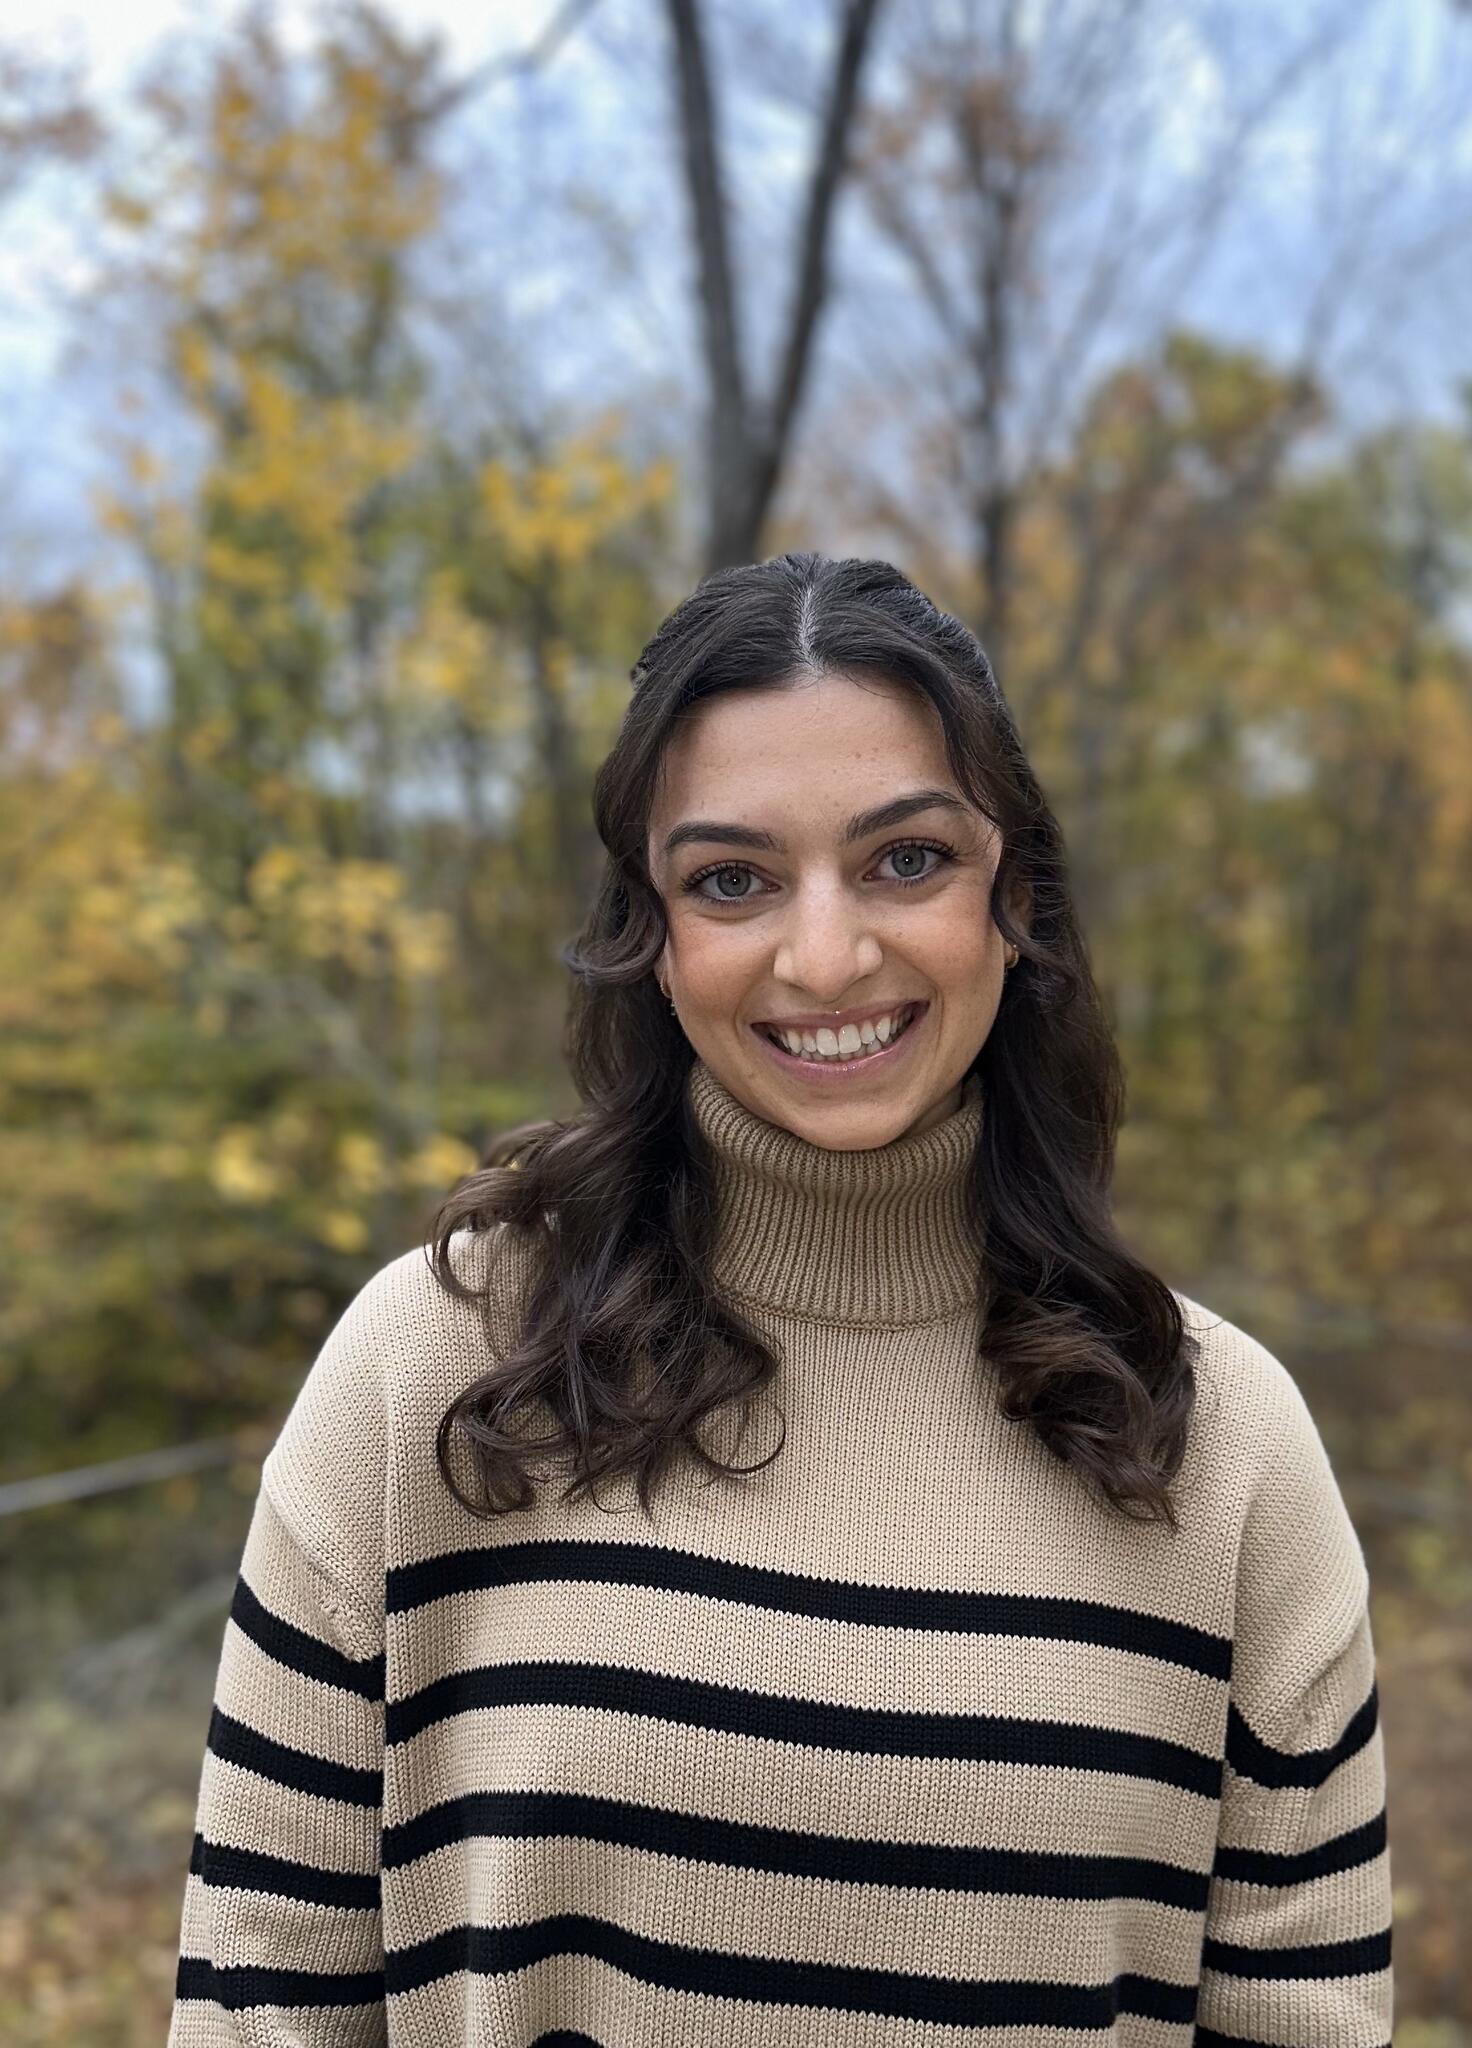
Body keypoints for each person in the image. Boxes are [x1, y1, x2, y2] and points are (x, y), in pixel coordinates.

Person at [167, 552, 1392, 2046]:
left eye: (906, 860)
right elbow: (258, 2001)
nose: (825, 956)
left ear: (1017, 900)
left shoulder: (1225, 1442)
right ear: (654, 937)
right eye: (732, 880)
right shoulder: (432, 1370)